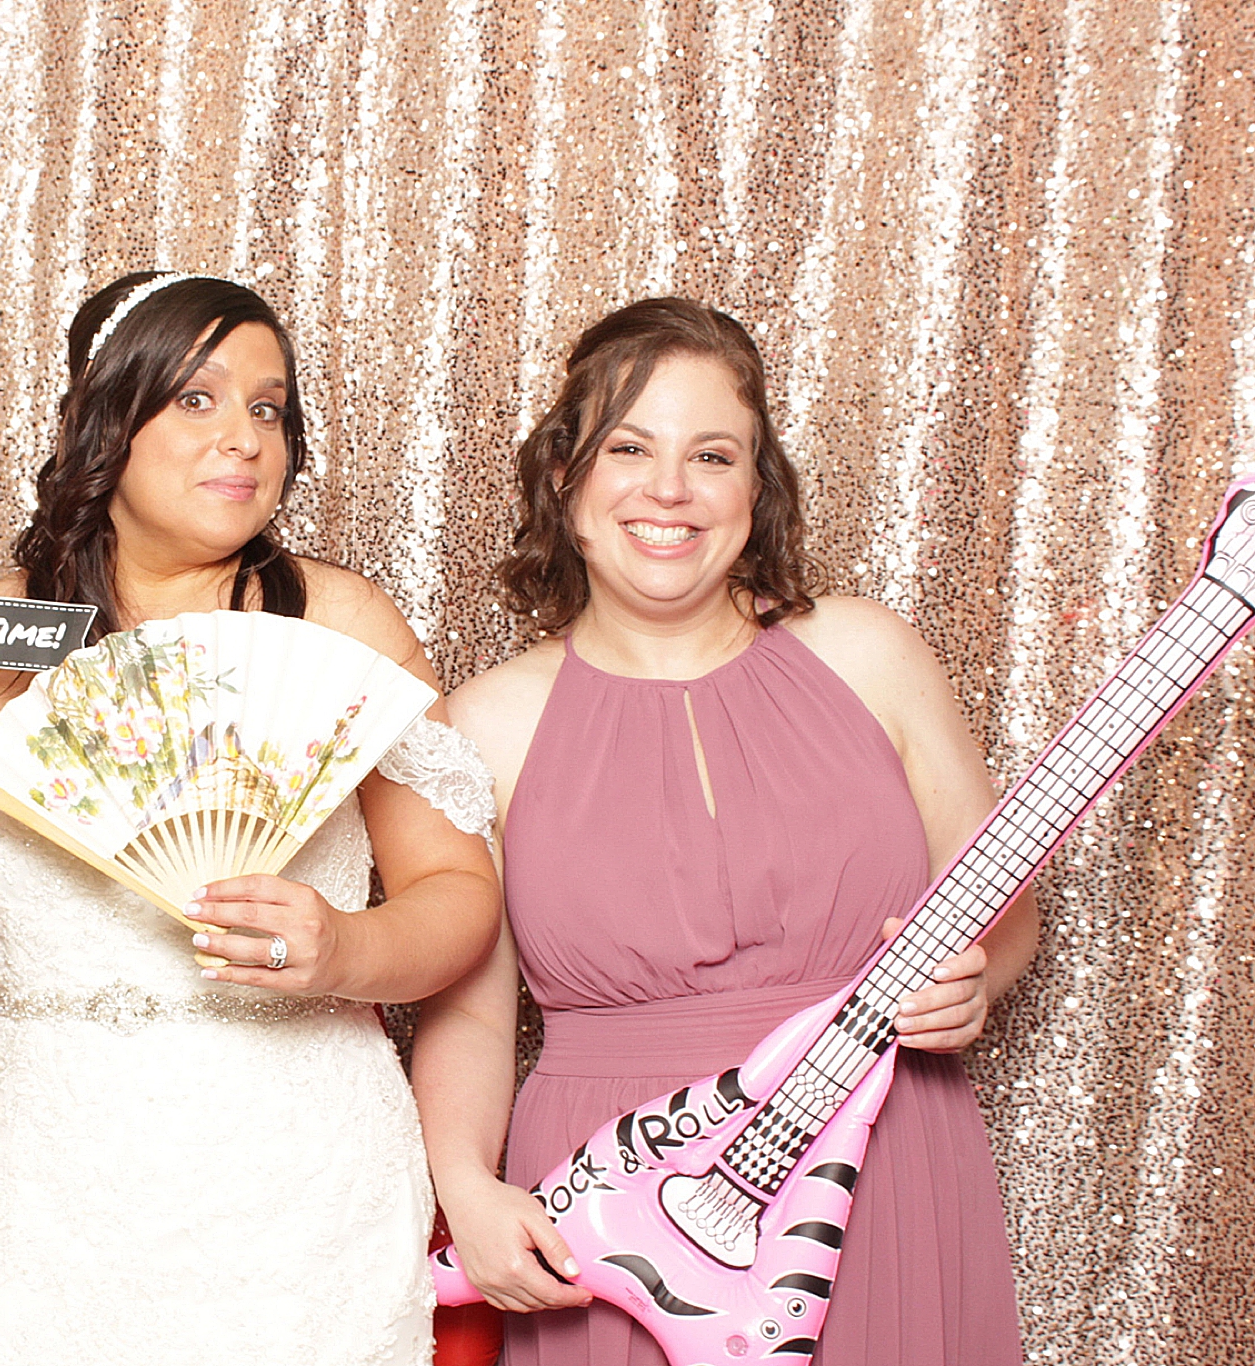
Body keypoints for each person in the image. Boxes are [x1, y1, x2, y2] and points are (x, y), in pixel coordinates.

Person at [0, 271, 503, 1365]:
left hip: (297, 1174)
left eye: (268, 406)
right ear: (102, 418)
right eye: (194, 398)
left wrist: (347, 945)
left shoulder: (333, 621)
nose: (241, 436)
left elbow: (459, 897)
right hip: (51, 1177)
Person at [410, 297, 1036, 1366]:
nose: (668, 489)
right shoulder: (484, 725)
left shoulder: (867, 653)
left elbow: (1000, 901)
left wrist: (979, 979)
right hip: (612, 1205)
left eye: (711, 454)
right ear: (564, 478)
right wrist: (465, 1185)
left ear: (756, 489)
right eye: (628, 448)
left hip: (876, 1154)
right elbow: (470, 1013)